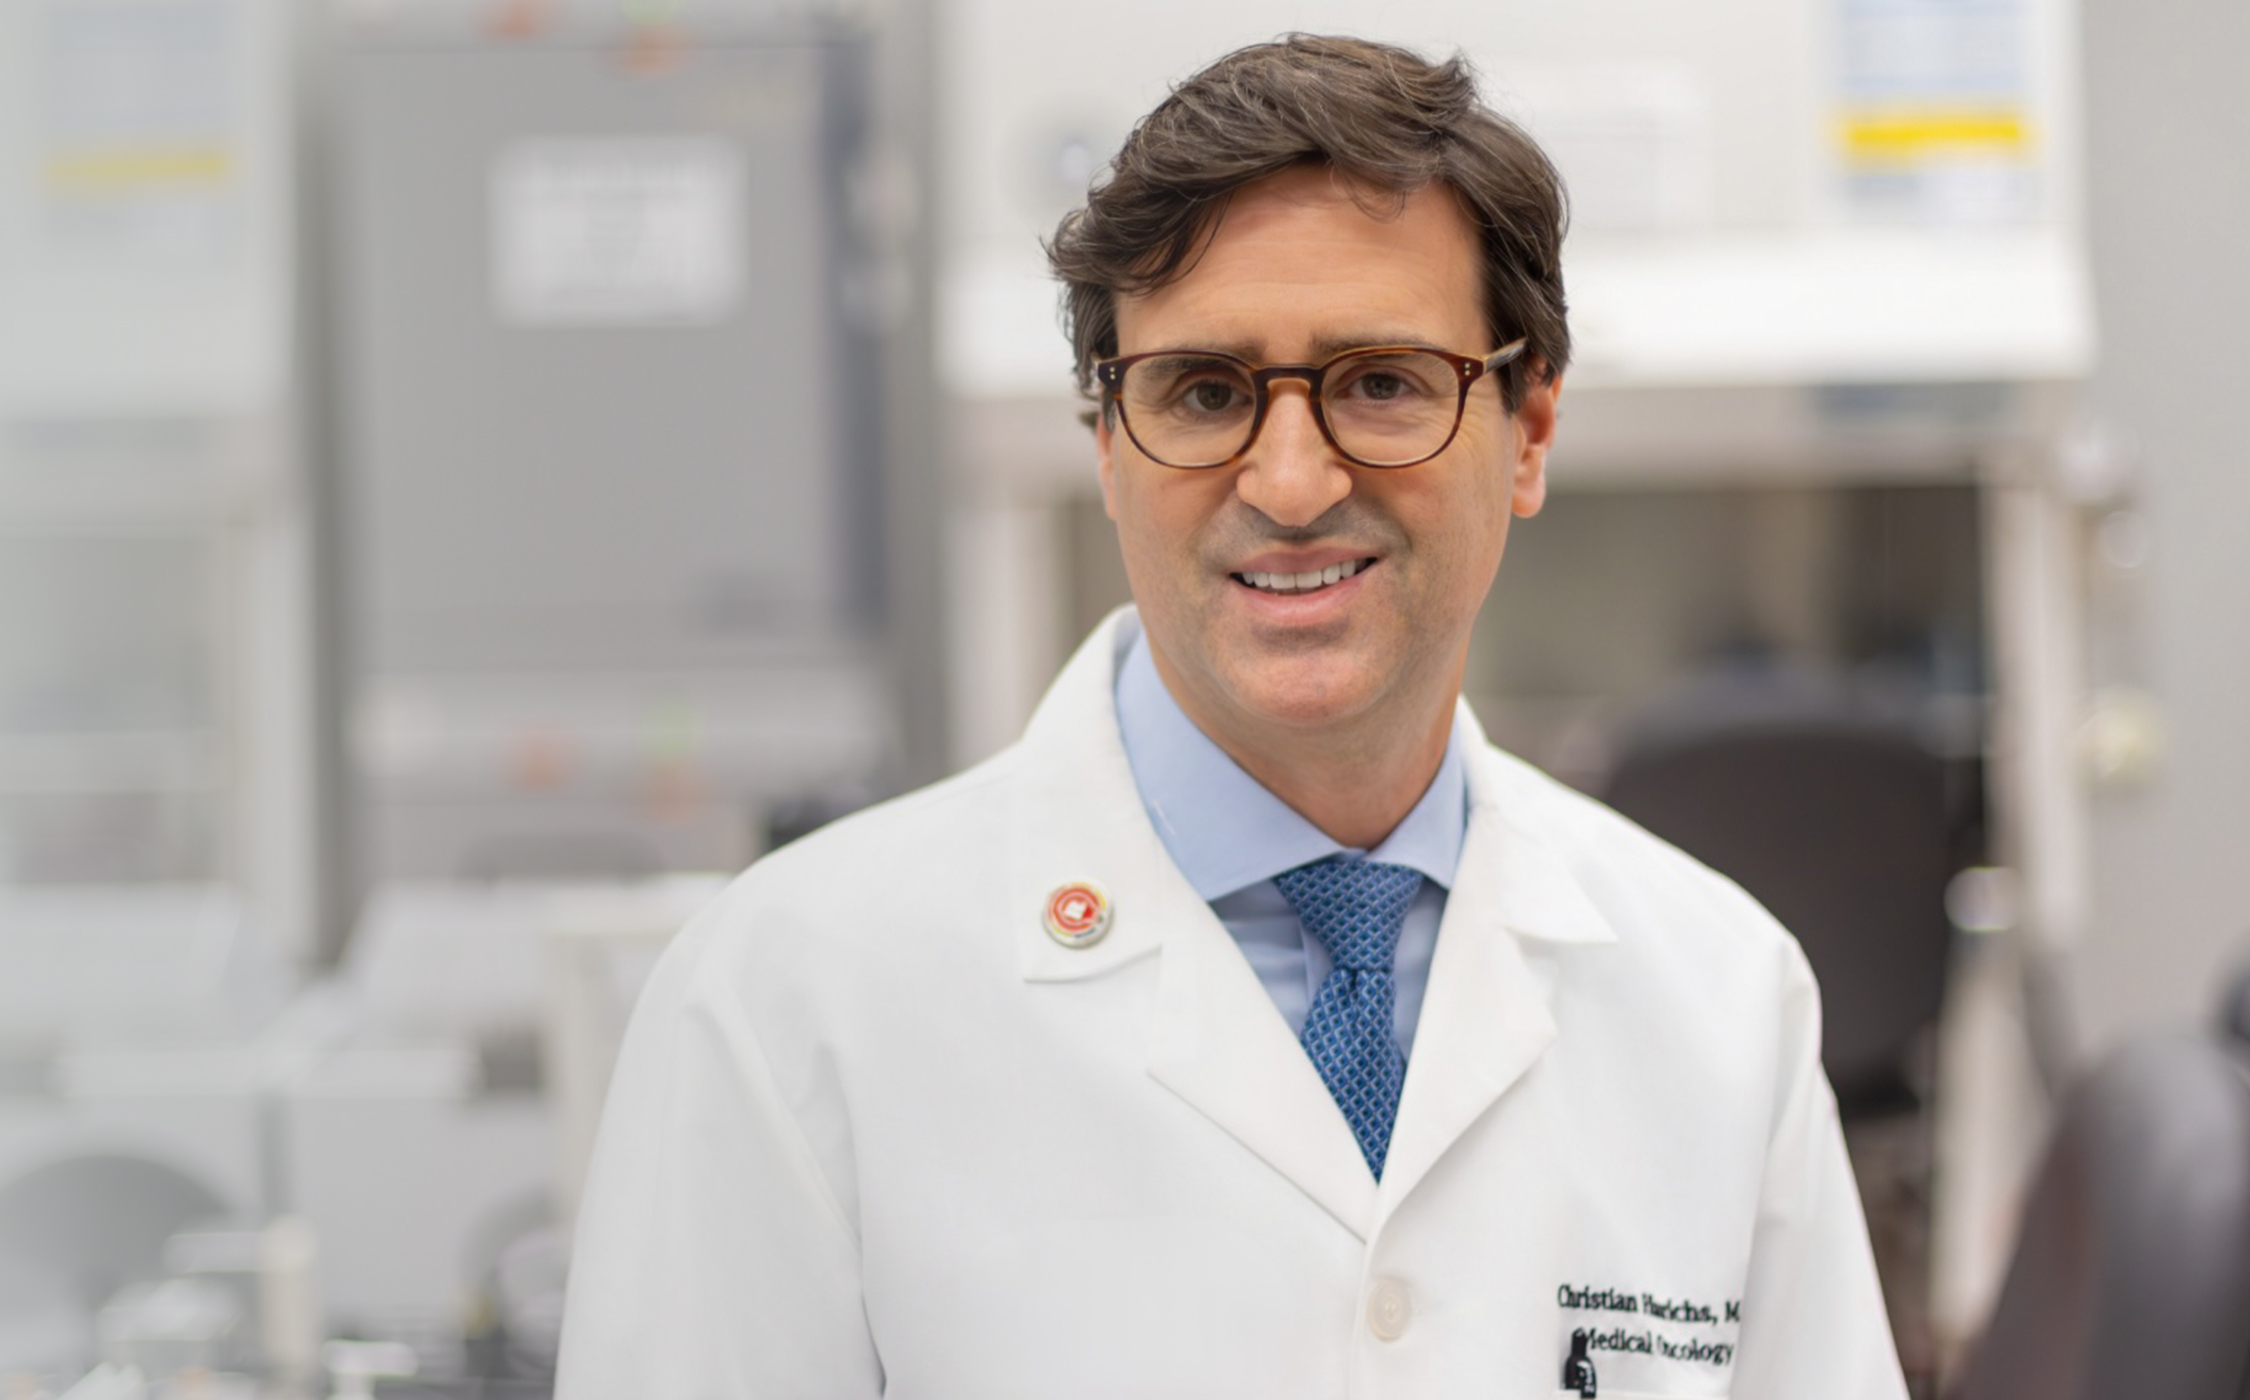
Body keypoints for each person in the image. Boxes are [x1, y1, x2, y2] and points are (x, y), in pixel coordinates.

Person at [553, 35, 1898, 1399]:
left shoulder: (1721, 997)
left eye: (1381, 382)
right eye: (1205, 393)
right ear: (1107, 446)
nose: (1295, 480)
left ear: (1531, 427)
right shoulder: (791, 1001)